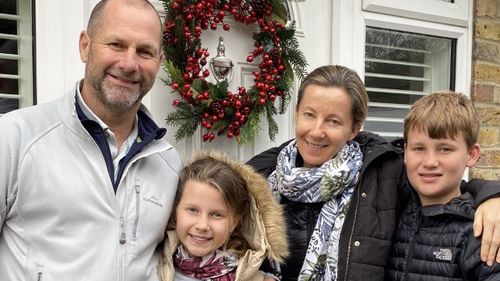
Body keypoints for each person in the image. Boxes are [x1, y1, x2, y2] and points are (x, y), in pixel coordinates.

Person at [247, 65, 500, 281]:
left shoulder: (383, 170)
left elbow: (440, 186)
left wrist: (493, 197)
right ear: (297, 114)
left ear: (354, 128)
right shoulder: (268, 175)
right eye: (309, 115)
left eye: (334, 121)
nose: (316, 131)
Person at [0, 0, 182, 280]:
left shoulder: (167, 161)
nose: (129, 63)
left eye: (144, 51)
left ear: (158, 62)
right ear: (85, 46)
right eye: (116, 45)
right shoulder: (15, 138)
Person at [385, 92, 500, 280]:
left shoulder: (483, 231)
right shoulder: (390, 212)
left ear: (471, 154)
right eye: (419, 148)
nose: (430, 162)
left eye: (445, 149)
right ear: (405, 151)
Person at [158, 151, 289, 281]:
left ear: (234, 222)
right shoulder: (154, 268)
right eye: (192, 210)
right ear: (175, 211)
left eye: (216, 214)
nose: (202, 225)